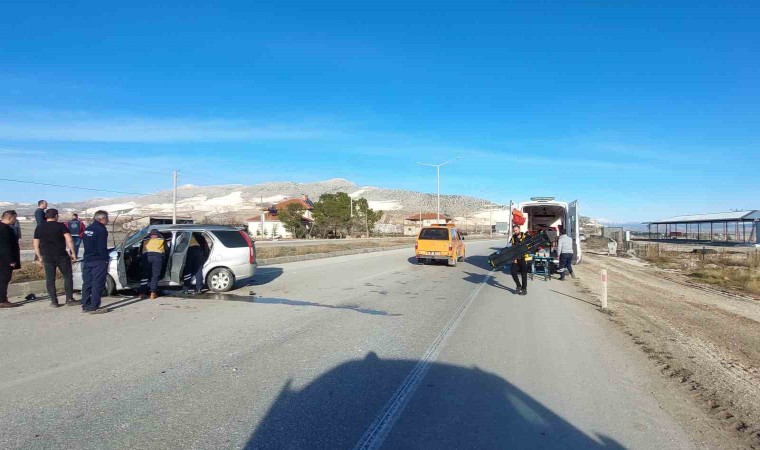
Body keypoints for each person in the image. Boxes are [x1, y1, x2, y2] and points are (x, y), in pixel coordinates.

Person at [33, 209, 77, 307]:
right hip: (61, 255)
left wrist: (39, 257)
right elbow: (69, 240)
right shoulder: (61, 226)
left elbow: (35, 244)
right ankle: (69, 299)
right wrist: (73, 253)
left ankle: (54, 301)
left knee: (50, 279)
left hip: (47, 256)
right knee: (67, 277)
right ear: (56, 216)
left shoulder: (40, 227)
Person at [81, 210, 110, 314]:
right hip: (98, 260)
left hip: (87, 259)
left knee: (87, 283)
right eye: (107, 219)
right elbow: (102, 247)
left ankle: (85, 305)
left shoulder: (88, 229)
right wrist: (106, 259)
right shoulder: (101, 230)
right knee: (98, 283)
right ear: (102, 219)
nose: (108, 220)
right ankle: (94, 306)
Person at [0, 211, 22, 308]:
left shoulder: (5, 228)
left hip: (3, 258)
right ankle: (2, 300)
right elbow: (5, 246)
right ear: (10, 218)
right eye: (14, 218)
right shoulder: (4, 229)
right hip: (4, 260)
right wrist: (11, 260)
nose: (15, 220)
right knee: (3, 279)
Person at [140, 229, 166, 300]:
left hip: (147, 256)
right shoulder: (161, 237)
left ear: (150, 233)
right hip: (157, 257)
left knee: (145, 274)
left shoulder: (145, 238)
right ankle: (152, 293)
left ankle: (142, 293)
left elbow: (141, 248)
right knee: (155, 275)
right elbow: (166, 248)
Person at [509, 224, 530, 295]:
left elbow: (530, 245)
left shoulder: (526, 236)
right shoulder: (513, 237)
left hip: (524, 258)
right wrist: (514, 258)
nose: (515, 232)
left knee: (523, 274)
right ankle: (518, 286)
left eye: (516, 230)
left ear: (519, 229)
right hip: (516, 258)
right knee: (513, 272)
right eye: (514, 231)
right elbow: (511, 248)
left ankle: (524, 289)